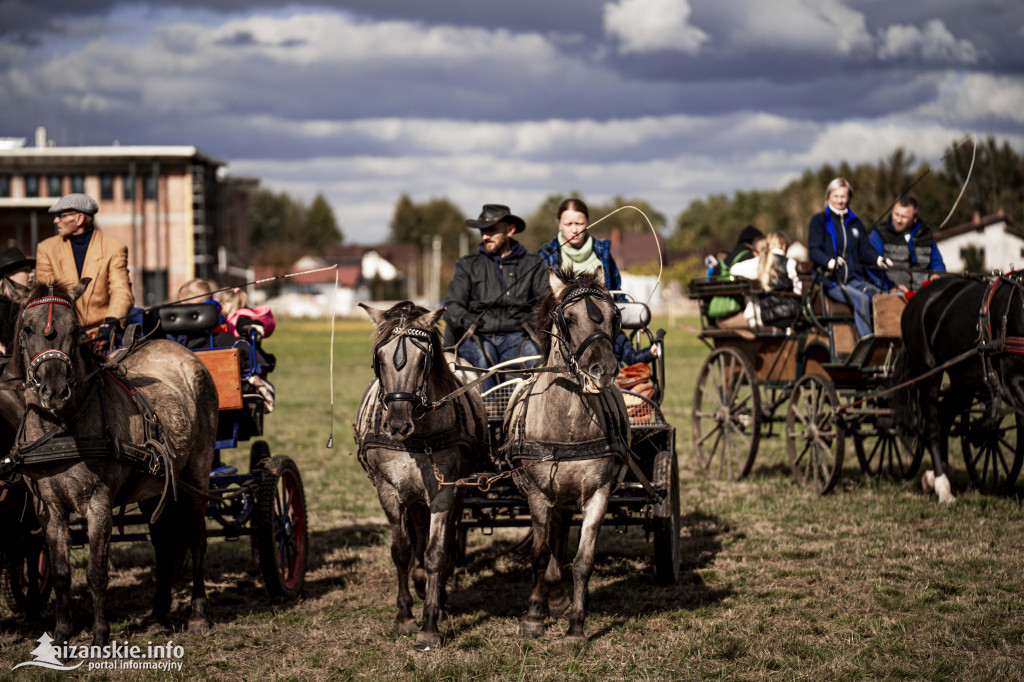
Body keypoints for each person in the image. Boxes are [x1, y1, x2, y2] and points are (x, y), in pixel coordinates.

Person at [537, 197, 659, 365]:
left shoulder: (603, 253)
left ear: (587, 222)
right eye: (568, 224)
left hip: (602, 325)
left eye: (579, 224)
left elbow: (616, 291)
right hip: (567, 330)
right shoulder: (546, 255)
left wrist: (635, 316)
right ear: (559, 224)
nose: (574, 230)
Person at [444, 204, 550, 391]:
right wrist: (467, 320)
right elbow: (452, 306)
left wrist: (530, 318)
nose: (485, 236)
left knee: (535, 356)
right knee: (482, 359)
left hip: (518, 337)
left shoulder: (534, 263)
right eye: (482, 231)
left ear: (510, 230)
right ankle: (489, 411)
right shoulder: (467, 265)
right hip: (477, 337)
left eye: (492, 231)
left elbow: (545, 303)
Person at [37, 193, 134, 342]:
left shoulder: (114, 248)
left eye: (61, 215)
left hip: (103, 335)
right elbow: (48, 294)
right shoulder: (46, 249)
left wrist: (112, 321)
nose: (56, 220)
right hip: (62, 337)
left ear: (79, 218)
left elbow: (121, 290)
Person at [808, 178, 890, 338]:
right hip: (830, 282)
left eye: (844, 196)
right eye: (836, 196)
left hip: (854, 279)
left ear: (849, 198)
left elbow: (865, 249)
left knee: (882, 297)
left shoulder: (855, 223)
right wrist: (829, 262)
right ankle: (867, 343)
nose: (840, 200)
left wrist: (879, 260)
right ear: (828, 197)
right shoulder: (819, 221)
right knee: (861, 300)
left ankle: (888, 340)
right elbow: (813, 250)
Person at [868, 196, 946, 293]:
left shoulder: (926, 235)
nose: (898, 220)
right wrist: (890, 286)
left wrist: (936, 275)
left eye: (904, 217)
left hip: (923, 294)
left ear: (915, 219)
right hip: (891, 294)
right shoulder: (879, 234)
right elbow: (872, 265)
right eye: (896, 214)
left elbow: (937, 263)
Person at [0, 247, 35, 354]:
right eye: (26, 270)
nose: (32, 274)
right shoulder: (1, 306)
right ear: (8, 277)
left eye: (31, 270)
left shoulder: (31, 305)